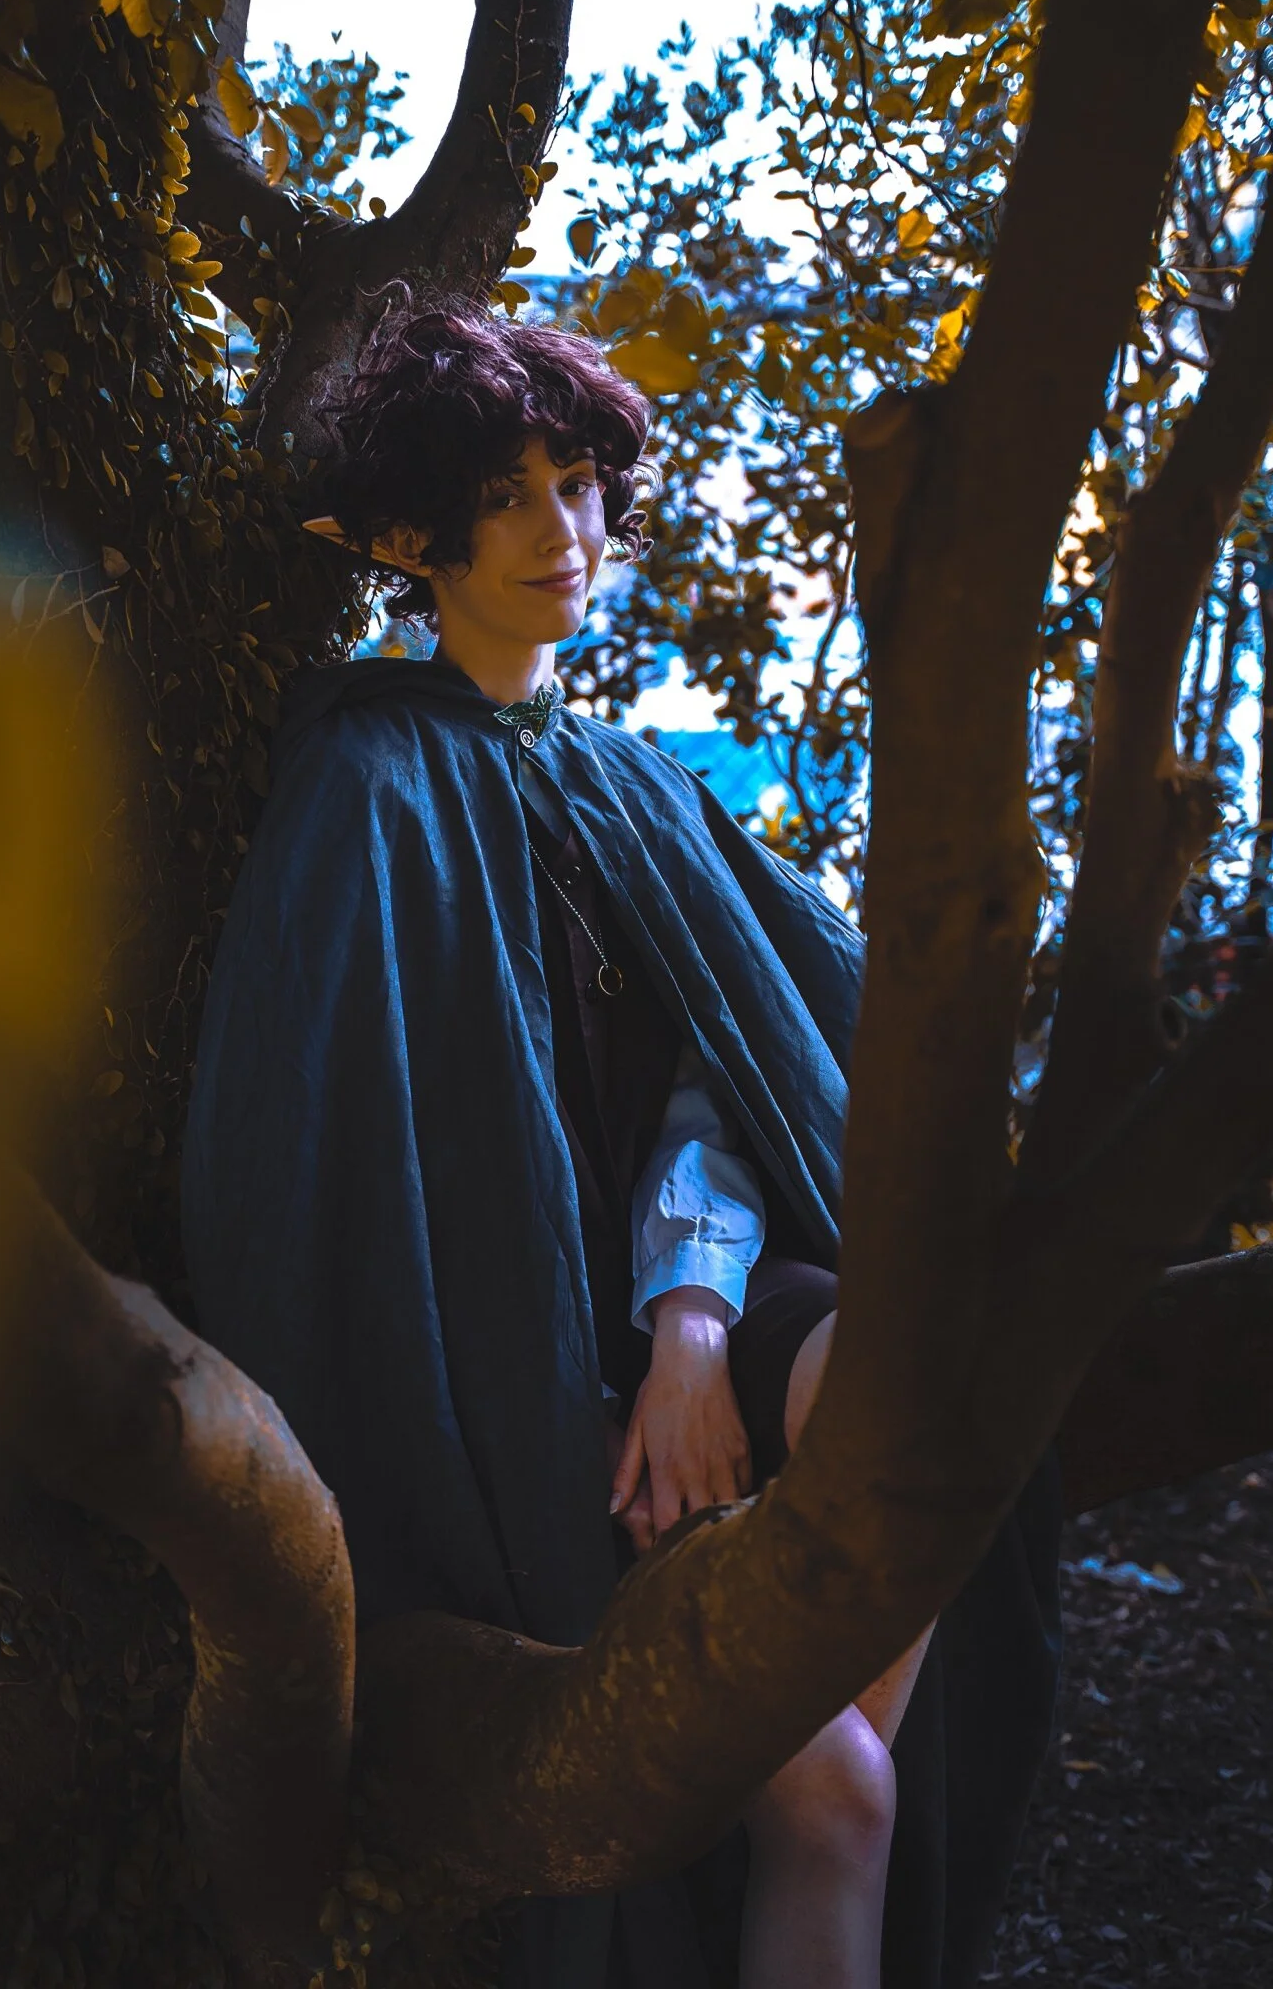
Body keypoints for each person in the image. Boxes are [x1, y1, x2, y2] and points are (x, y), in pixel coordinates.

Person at [182, 302, 1060, 1989]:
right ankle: (772, 1774)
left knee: (928, 1378)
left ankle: (755, 1754)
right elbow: (337, 1174)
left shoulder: (634, 783)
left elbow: (733, 1076)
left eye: (575, 483)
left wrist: (692, 1320)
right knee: (838, 1801)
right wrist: (582, 1394)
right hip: (504, 1401)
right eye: (499, 496)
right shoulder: (366, 779)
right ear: (406, 540)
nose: (558, 532)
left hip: (694, 1323)